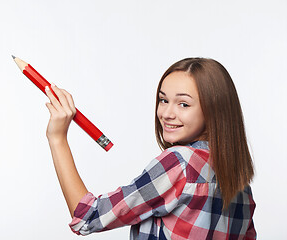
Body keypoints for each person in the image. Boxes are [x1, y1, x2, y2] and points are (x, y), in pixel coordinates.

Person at [44, 57, 256, 239]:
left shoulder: (180, 163)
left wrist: (57, 138)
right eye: (163, 100)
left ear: (214, 110)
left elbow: (89, 217)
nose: (166, 113)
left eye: (183, 104)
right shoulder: (239, 180)